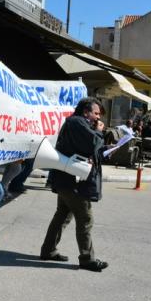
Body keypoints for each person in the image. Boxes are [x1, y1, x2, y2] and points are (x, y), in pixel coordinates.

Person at [40, 97, 109, 272]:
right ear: (86, 112)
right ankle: (87, 259)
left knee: (62, 216)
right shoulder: (78, 123)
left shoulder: (76, 123)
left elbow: (87, 149)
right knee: (85, 218)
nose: (98, 118)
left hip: (67, 179)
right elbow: (92, 143)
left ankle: (48, 250)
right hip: (73, 181)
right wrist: (99, 132)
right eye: (96, 114)